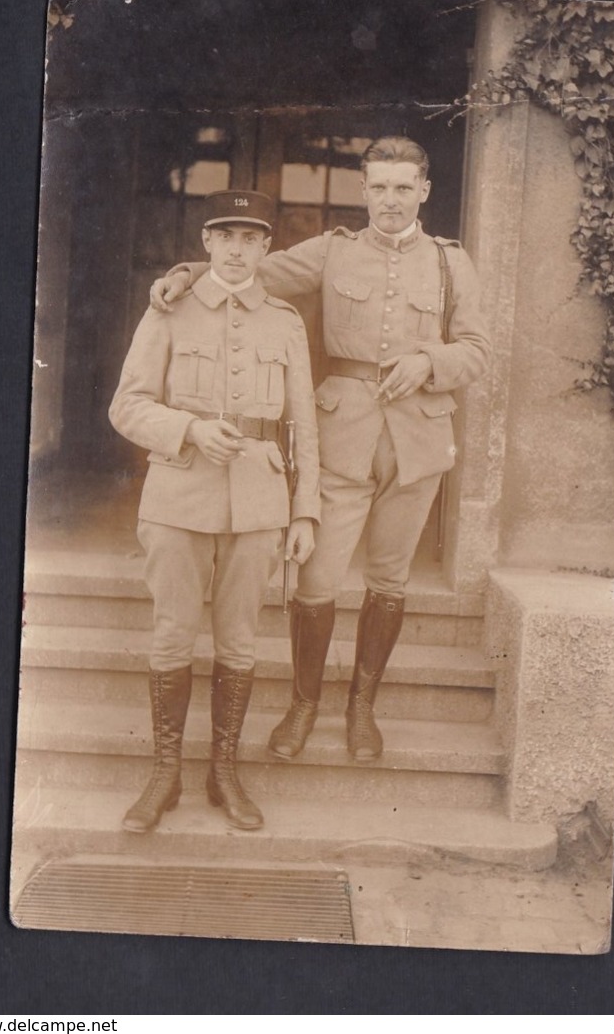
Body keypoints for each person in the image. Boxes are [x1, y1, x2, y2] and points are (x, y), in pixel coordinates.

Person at [150, 136, 491, 763]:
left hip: (416, 444)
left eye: (402, 188)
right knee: (318, 579)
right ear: (363, 192)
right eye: (379, 188)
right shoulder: (334, 251)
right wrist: (183, 275)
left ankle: (361, 706)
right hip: (342, 437)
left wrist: (428, 359)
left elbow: (476, 349)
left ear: (424, 191)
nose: (390, 200)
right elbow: (249, 268)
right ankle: (304, 704)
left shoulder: (449, 263)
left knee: (390, 578)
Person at [110, 190, 319, 834]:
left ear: (265, 247)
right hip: (177, 498)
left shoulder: (285, 321)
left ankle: (223, 771)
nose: (236, 249)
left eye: (250, 238)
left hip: (259, 503)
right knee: (173, 634)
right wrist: (189, 430)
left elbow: (304, 425)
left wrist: (304, 511)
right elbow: (127, 406)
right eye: (224, 236)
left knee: (239, 641)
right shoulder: (168, 313)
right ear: (206, 242)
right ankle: (165, 773)